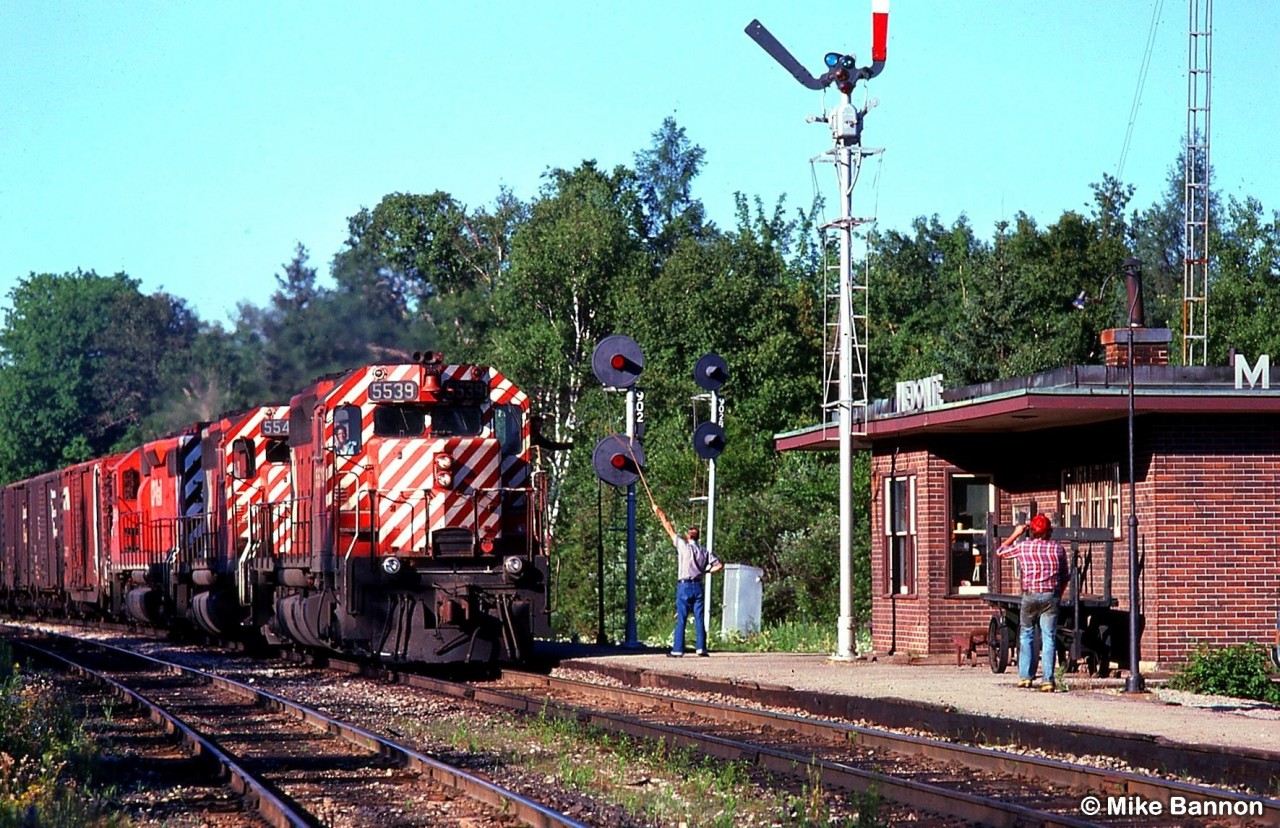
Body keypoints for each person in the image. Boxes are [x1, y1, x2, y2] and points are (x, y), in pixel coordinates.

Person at [996, 513, 1069, 692]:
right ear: (1049, 531)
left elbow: (1000, 552)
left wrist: (1016, 533)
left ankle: (1025, 677)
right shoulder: (1058, 549)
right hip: (1050, 596)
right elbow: (1066, 575)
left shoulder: (1024, 547)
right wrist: (1058, 593)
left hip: (1030, 595)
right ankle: (1047, 680)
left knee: (1026, 634)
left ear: (1032, 531)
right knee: (1048, 637)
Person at [654, 505, 722, 657]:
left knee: (682, 617)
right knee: (699, 618)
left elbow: (668, 527)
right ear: (697, 537)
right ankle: (701, 648)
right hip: (698, 585)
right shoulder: (704, 552)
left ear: (687, 536)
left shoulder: (683, 547)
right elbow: (719, 565)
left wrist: (659, 511)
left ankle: (678, 650)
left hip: (684, 585)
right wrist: (706, 571)